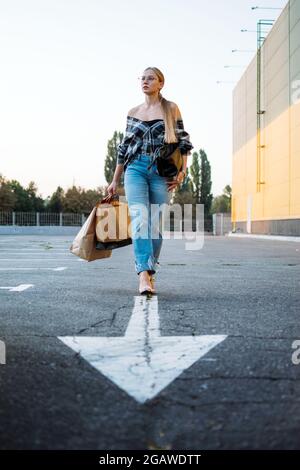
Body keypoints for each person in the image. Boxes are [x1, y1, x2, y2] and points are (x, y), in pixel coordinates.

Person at [106, 66, 194, 295]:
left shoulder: (170, 108)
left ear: (160, 83)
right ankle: (143, 275)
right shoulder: (133, 111)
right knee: (140, 219)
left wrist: (182, 172)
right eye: (142, 78)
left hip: (161, 172)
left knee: (154, 223)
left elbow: (184, 141)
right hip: (134, 169)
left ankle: (150, 271)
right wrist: (115, 180)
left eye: (150, 78)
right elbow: (124, 147)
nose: (145, 81)